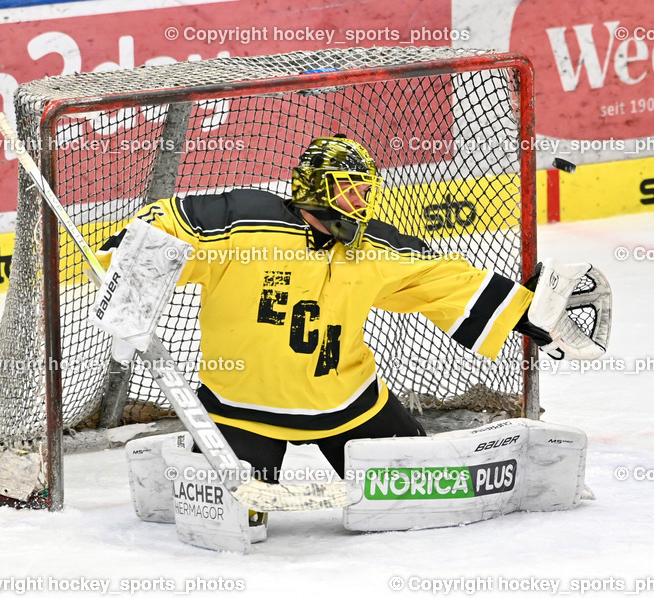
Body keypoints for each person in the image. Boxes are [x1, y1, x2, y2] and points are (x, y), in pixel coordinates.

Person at [99, 134, 601, 485]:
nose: (360, 201)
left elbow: (444, 280)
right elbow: (155, 227)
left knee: (419, 489)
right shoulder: (239, 221)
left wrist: (525, 311)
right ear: (315, 187)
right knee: (235, 510)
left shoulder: (374, 247)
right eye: (349, 188)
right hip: (241, 408)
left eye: (365, 191)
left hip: (348, 404)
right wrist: (129, 269)